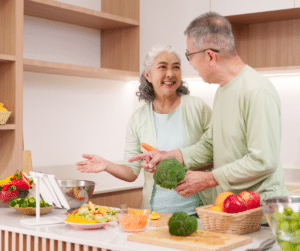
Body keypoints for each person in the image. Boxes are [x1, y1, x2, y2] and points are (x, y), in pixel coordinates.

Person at [129, 12, 289, 206]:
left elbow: (262, 161)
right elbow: (210, 145)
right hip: (232, 207)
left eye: (189, 55)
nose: (189, 63)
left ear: (210, 56)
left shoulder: (256, 90)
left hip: (261, 210)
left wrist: (209, 179)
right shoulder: (223, 91)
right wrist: (170, 155)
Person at [76, 45, 213, 215]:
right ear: (147, 75)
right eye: (162, 67)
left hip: (201, 211)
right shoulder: (138, 119)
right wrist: (106, 165)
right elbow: (131, 171)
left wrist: (176, 161)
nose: (170, 73)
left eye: (176, 67)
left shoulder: (197, 107)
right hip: (156, 213)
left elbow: (217, 153)